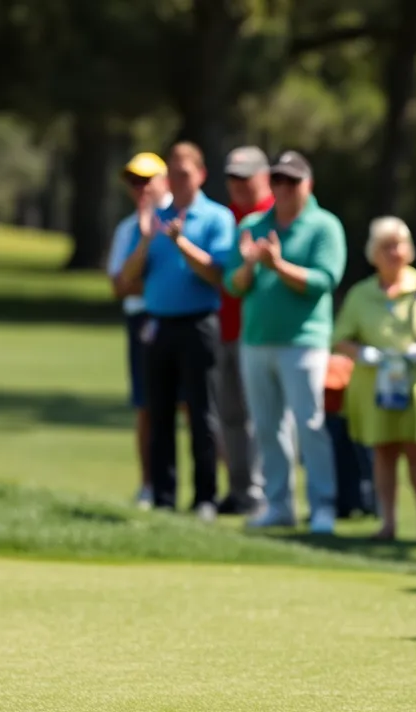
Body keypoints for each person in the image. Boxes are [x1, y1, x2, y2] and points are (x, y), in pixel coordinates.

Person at [224, 151, 346, 534]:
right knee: (266, 426)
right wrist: (248, 265)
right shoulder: (254, 224)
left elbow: (323, 281)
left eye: (291, 181)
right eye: (277, 180)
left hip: (304, 342)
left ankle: (322, 506)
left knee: (309, 425)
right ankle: (278, 505)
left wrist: (277, 265)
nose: (283, 188)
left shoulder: (324, 226)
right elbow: (232, 284)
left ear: (307, 185)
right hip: (257, 340)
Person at [116, 142, 235, 521]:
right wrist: (150, 238)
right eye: (174, 173)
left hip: (199, 322)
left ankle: (204, 497)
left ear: (200, 175)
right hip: (157, 322)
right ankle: (164, 497)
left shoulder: (216, 217)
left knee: (202, 413)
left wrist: (181, 242)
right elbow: (128, 278)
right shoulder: (153, 218)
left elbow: (218, 274)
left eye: (185, 173)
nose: (179, 180)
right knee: (159, 413)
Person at [333, 217, 416, 542]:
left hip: (415, 383)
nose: (393, 252)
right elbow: (340, 339)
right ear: (373, 253)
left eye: (398, 244)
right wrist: (362, 353)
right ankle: (388, 523)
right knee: (383, 453)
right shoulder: (361, 294)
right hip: (374, 385)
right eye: (385, 247)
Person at [106, 152, 171, 509]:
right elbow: (119, 286)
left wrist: (159, 286)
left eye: (147, 180)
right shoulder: (127, 229)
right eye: (134, 182)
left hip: (182, 320)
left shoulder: (182, 218)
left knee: (193, 406)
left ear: (165, 180)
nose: (140, 188)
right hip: (142, 321)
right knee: (146, 405)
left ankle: (209, 490)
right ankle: (149, 485)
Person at [215, 146, 274, 516]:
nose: (237, 184)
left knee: (262, 416)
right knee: (230, 416)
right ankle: (239, 489)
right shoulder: (226, 218)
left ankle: (264, 491)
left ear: (263, 176)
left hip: (262, 331)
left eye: (245, 176)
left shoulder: (273, 214)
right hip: (223, 324)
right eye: (232, 177)